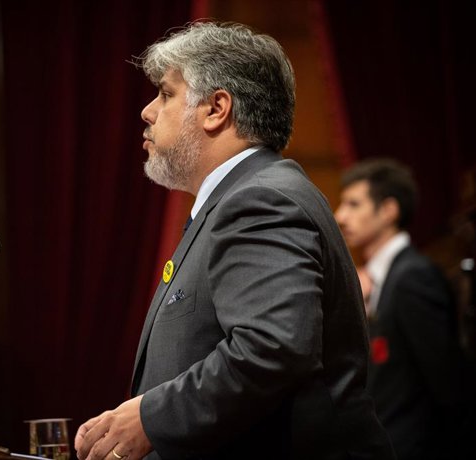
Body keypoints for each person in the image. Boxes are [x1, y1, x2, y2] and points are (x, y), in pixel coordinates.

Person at [75, 22, 394, 460]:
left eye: (166, 94)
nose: (147, 111)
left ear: (216, 108)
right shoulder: (239, 198)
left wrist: (152, 419)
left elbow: (272, 347)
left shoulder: (259, 200)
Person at [335, 159, 469, 459]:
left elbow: (447, 382)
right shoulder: (382, 278)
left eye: (353, 205)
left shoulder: (412, 277)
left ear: (389, 211)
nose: (340, 216)